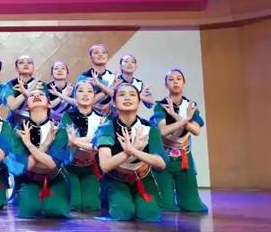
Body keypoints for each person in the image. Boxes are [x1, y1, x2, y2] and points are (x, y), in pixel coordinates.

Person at [94, 83, 168, 222]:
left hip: (143, 177)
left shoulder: (150, 128)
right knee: (123, 213)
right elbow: (105, 165)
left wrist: (134, 150)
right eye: (122, 95)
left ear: (139, 102)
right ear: (114, 102)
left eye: (132, 95)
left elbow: (161, 163)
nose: (127, 98)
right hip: (116, 179)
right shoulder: (107, 128)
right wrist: (127, 152)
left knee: (149, 215)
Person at [152, 69, 208, 213]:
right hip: (165, 158)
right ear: (166, 84)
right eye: (171, 79)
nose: (175, 82)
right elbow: (163, 131)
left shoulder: (190, 106)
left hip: (184, 158)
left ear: (184, 83)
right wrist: (185, 120)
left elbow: (196, 131)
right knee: (166, 207)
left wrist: (177, 116)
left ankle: (183, 197)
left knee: (194, 207)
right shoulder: (161, 105)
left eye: (178, 79)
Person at [13, 89, 70, 218]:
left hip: (55, 178)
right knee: (29, 213)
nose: (36, 96)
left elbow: (52, 164)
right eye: (32, 95)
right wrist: (46, 143)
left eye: (41, 95)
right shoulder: (18, 130)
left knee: (56, 213)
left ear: (49, 104)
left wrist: (29, 145)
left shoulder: (59, 130)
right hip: (29, 179)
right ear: (27, 106)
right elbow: (25, 166)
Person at [55, 80, 104, 211]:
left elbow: (100, 143)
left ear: (94, 96)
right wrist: (91, 138)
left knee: (91, 205)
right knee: (74, 204)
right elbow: (67, 142)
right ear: (75, 95)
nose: (85, 94)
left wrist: (77, 141)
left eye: (89, 91)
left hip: (91, 166)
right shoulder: (67, 116)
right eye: (81, 91)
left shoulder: (102, 118)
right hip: (70, 166)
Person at [1, 55, 42, 125]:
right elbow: (12, 106)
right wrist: (31, 89)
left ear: (33, 67)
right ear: (16, 68)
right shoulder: (9, 85)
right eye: (21, 63)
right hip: (14, 124)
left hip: (36, 123)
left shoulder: (41, 85)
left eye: (29, 62)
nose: (26, 64)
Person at [77, 44, 116, 114]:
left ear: (107, 56)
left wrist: (109, 106)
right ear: (90, 58)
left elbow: (117, 97)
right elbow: (84, 102)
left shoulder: (113, 77)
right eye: (96, 53)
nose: (100, 55)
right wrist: (110, 89)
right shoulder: (83, 77)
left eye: (103, 52)